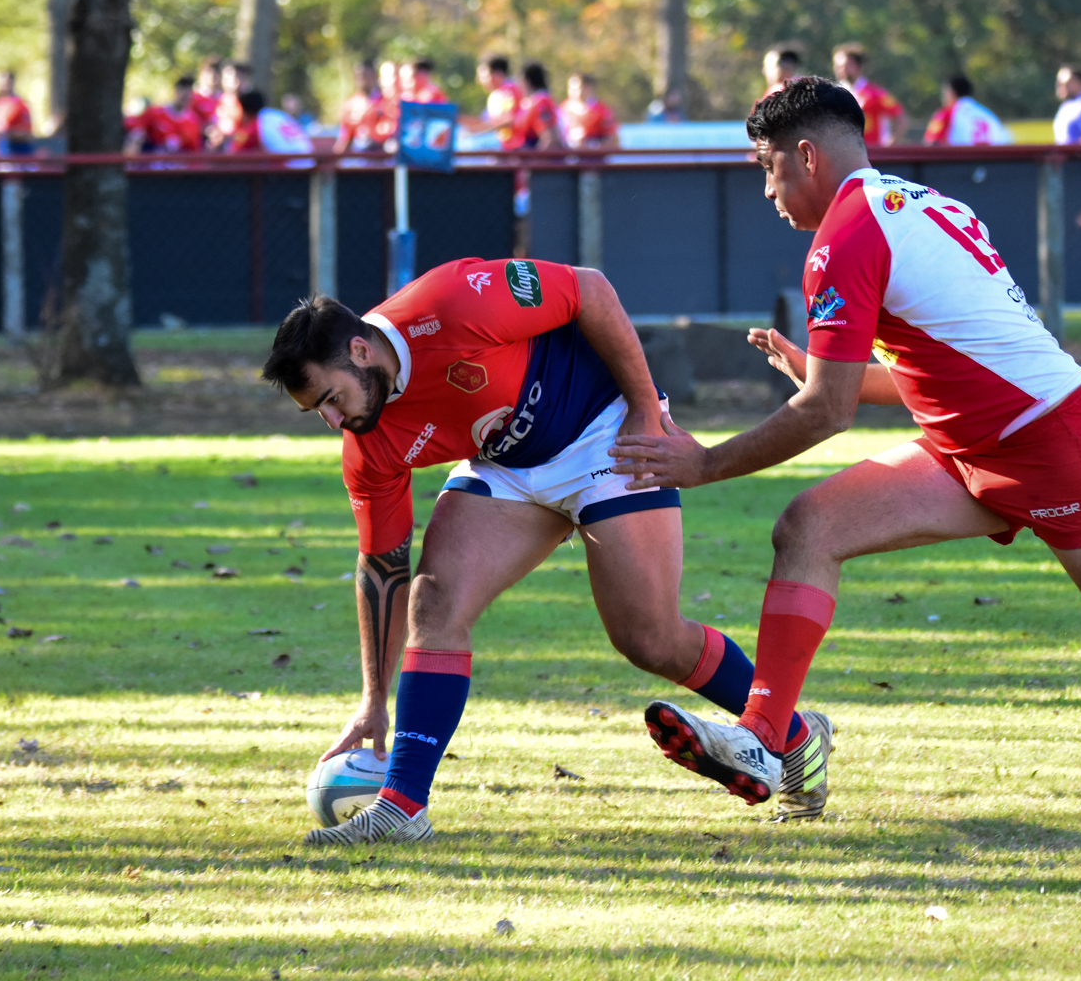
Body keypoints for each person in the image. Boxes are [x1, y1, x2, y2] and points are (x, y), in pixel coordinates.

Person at [609, 77, 1081, 808]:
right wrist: (822, 370)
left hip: (1054, 444)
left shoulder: (846, 237)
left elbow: (823, 416)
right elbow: (939, 369)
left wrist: (704, 462)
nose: (767, 191)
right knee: (808, 527)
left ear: (805, 156)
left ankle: (769, 739)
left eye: (766, 168)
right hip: (975, 447)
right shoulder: (920, 203)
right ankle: (771, 741)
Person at [261, 260, 836, 845]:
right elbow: (384, 571)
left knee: (650, 640)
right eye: (319, 413)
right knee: (433, 605)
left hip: (605, 429)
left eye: (331, 400)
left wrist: (643, 406)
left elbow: (590, 289)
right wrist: (372, 701)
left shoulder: (453, 302)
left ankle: (789, 736)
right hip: (507, 464)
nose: (334, 422)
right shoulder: (368, 442)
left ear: (361, 350)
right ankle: (402, 806)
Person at [831, 43, 904, 146]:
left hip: (873, 155)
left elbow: (901, 118)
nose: (839, 70)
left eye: (844, 65)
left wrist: (892, 143)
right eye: (837, 66)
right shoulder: (835, 94)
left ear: (858, 66)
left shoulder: (875, 93)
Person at [922, 76, 1011, 146]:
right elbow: (1006, 141)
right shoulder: (989, 115)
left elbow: (931, 143)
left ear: (951, 92)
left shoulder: (946, 114)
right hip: (991, 166)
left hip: (961, 166)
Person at [125, 76, 205, 153]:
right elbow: (135, 128)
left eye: (188, 94)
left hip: (178, 164)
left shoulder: (194, 122)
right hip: (152, 162)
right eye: (182, 93)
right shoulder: (155, 113)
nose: (185, 97)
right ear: (175, 91)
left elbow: (194, 151)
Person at [463, 56, 524, 148]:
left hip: (511, 144)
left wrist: (478, 131)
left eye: (483, 76)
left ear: (497, 74)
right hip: (501, 143)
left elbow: (509, 122)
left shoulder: (508, 91)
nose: (479, 81)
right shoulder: (498, 93)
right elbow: (485, 122)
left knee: (466, 146)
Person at [335, 60, 383, 153]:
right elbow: (344, 138)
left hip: (382, 153)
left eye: (366, 76)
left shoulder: (386, 102)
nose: (362, 80)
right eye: (359, 77)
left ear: (375, 77)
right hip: (360, 154)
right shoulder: (350, 105)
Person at [561, 73, 620, 149]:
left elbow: (614, 141)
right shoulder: (564, 108)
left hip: (593, 158)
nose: (573, 92)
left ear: (588, 88)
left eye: (577, 88)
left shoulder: (601, 110)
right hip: (569, 157)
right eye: (571, 88)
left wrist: (591, 146)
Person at [512, 62, 562, 150]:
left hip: (543, 160)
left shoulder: (541, 102)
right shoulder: (531, 102)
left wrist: (533, 160)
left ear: (527, 81)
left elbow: (550, 139)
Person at [0, 70, 35, 156]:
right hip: (2, 152)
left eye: (7, 82)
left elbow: (27, 134)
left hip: (19, 153)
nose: (3, 86)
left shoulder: (21, 105)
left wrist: (7, 134)